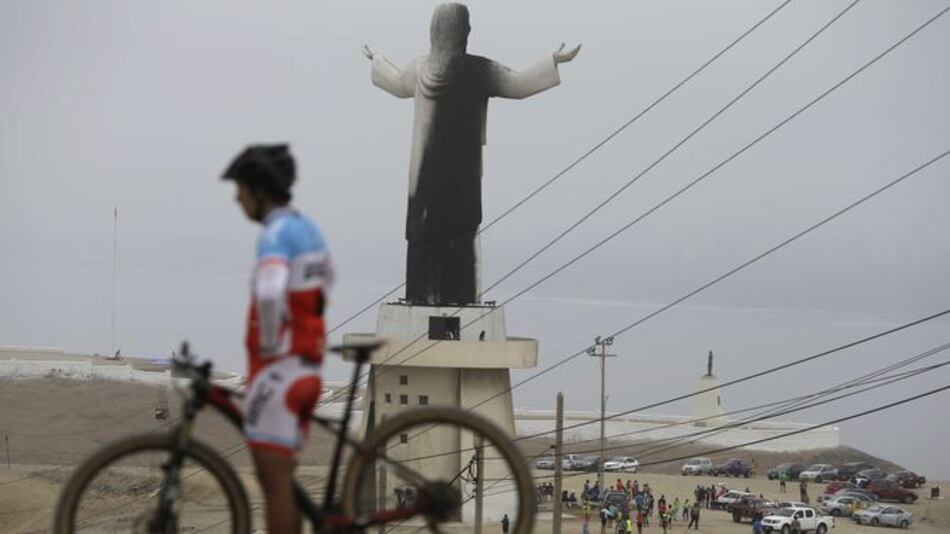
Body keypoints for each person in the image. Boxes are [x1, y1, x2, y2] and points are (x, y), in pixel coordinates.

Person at [222, 144, 335, 534]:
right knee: (285, 482)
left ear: (259, 189)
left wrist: (270, 344)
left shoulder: (275, 233)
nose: (236, 197)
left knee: (274, 488)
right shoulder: (308, 229)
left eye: (240, 188)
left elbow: (270, 291)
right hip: (307, 366)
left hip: (280, 371)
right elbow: (326, 283)